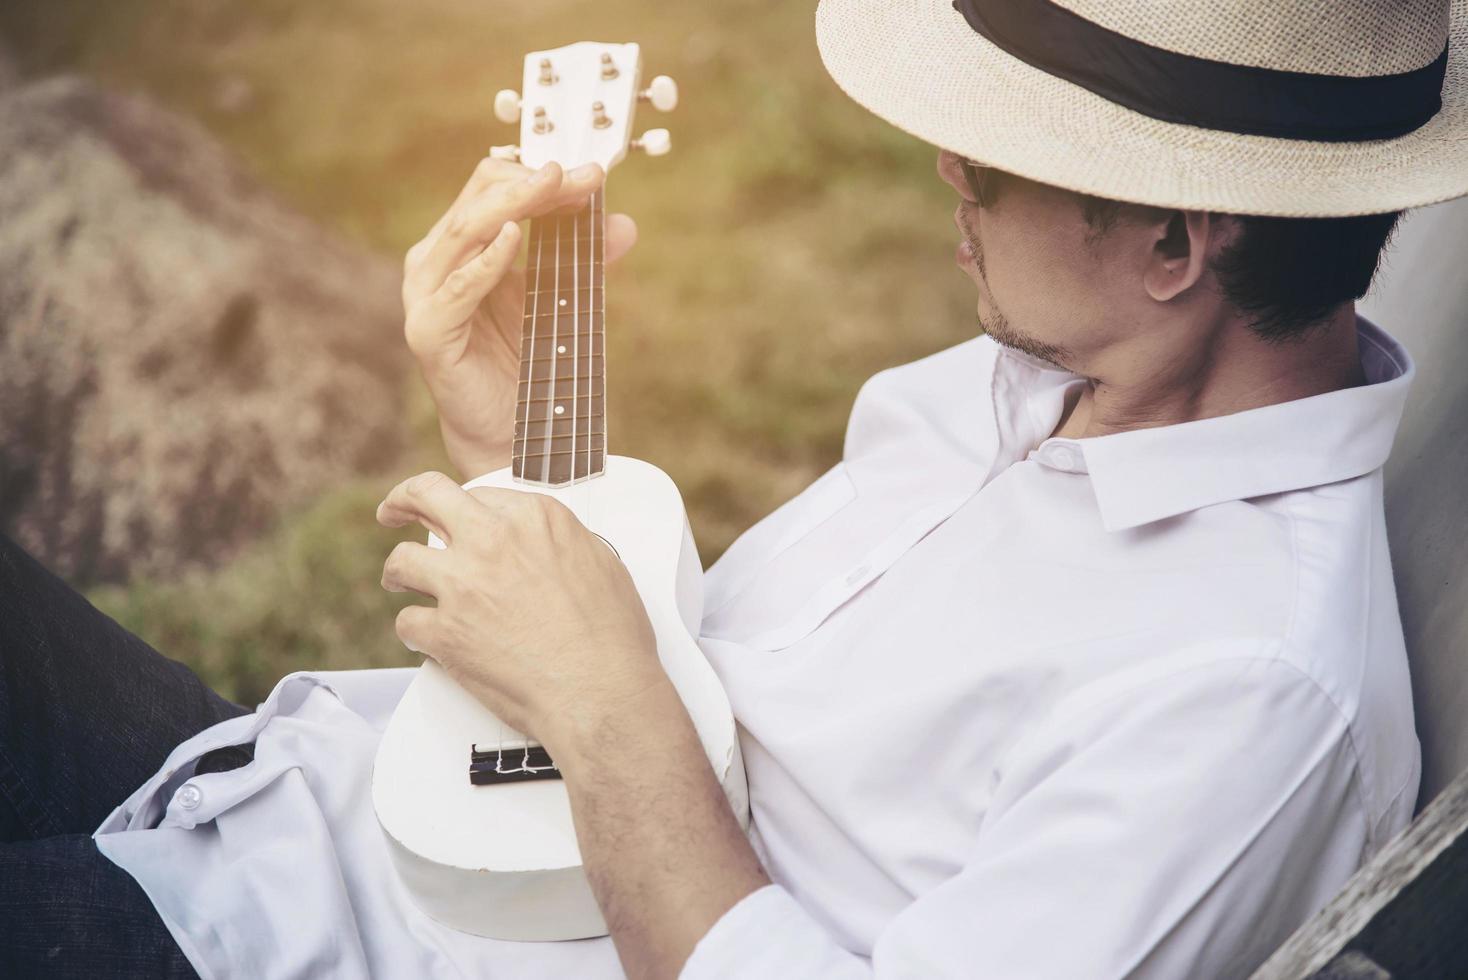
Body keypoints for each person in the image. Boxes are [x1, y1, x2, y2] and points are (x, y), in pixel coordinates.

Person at [3, 0, 1466, 976]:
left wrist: (599, 698)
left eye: (999, 161)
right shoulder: (1038, 371)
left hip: (317, 943)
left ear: (1172, 248)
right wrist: (525, 453)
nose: (945, 167)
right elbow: (739, 721)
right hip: (299, 789)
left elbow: (635, 721)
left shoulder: (1247, 696)